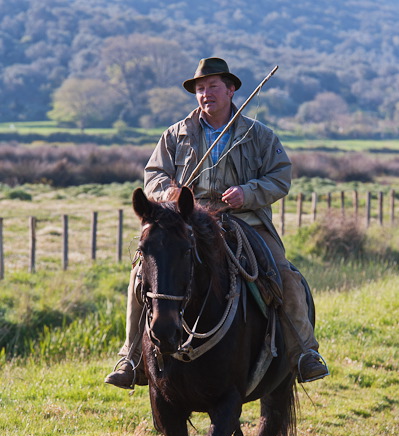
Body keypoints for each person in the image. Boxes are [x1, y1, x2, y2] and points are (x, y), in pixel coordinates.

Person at [105, 57, 329, 390]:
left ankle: (305, 353)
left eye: (212, 87)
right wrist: (169, 190)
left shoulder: (258, 135)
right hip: (188, 223)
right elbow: (153, 175)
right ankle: (131, 358)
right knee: (141, 276)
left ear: (231, 89)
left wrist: (248, 192)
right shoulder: (176, 135)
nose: (205, 94)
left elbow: (281, 176)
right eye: (199, 89)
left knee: (284, 275)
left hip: (245, 221)